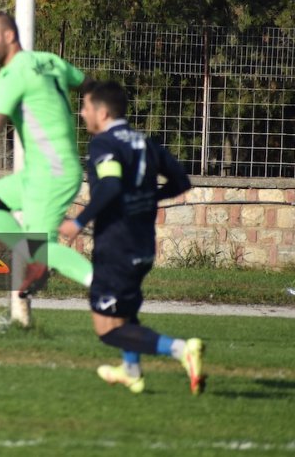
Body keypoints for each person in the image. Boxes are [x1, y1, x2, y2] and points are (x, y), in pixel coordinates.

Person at [58, 80, 204, 394]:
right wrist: (148, 197)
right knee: (125, 313)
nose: (82, 114)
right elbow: (181, 181)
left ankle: (181, 350)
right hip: (142, 246)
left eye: (85, 107)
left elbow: (110, 186)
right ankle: (131, 371)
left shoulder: (104, 143)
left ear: (102, 111)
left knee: (107, 330)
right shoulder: (145, 143)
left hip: (117, 247)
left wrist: (79, 221)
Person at [0, 12, 94, 325]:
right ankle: (35, 255)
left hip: (51, 173)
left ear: (9, 37)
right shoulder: (48, 61)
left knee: (43, 251)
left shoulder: (11, 74)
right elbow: (88, 84)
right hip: (39, 172)